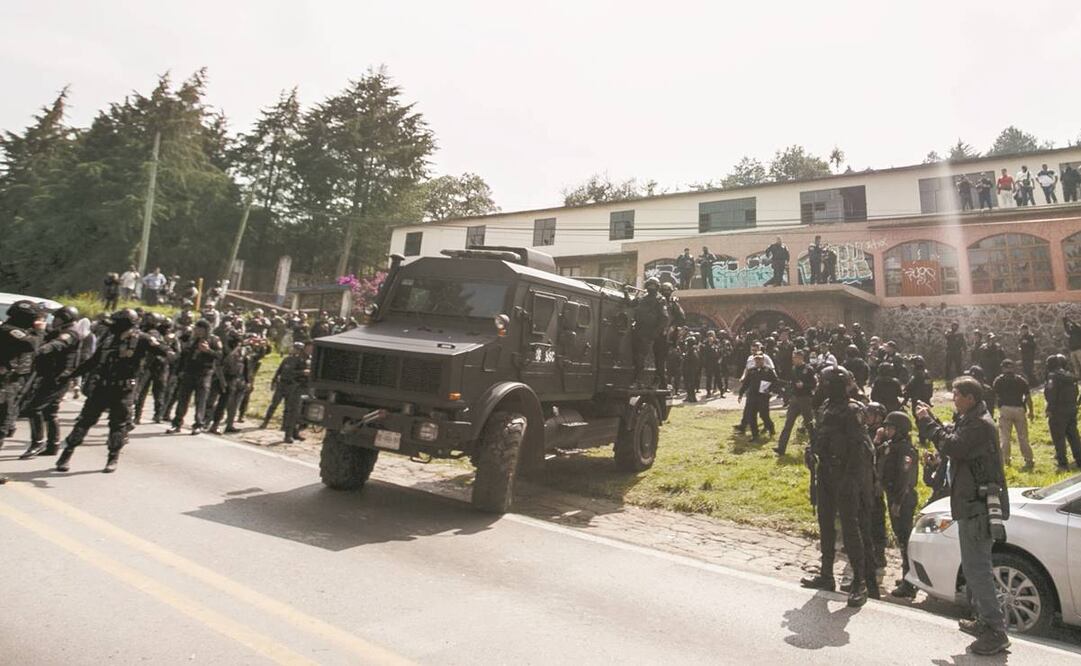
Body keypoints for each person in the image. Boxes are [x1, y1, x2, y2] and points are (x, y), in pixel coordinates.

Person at [916, 378, 1010, 656]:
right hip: (969, 504)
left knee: (977, 569)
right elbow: (953, 437)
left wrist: (926, 423)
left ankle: (996, 631)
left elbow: (954, 446)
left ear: (969, 397)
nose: (953, 398)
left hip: (977, 507)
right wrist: (933, 419)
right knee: (974, 568)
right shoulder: (971, 418)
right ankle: (985, 620)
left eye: (956, 394)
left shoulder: (980, 424)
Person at [55, 310, 168, 473]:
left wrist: (157, 351)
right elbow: (92, 362)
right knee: (85, 421)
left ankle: (113, 458)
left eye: (116, 324)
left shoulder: (142, 339)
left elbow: (166, 352)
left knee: (118, 425)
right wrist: (70, 375)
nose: (112, 327)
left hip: (124, 389)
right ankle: (66, 454)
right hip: (102, 387)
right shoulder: (108, 339)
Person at [801, 366, 877, 607]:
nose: (819, 386)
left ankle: (860, 583)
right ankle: (826, 575)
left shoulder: (852, 410)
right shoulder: (825, 408)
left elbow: (860, 449)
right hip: (826, 473)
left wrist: (850, 480)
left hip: (847, 476)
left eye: (824, 383)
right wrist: (811, 453)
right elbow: (820, 440)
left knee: (851, 528)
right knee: (825, 524)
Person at [18, 306, 84, 459]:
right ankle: (53, 445)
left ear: (65, 319)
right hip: (51, 376)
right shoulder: (58, 330)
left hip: (57, 377)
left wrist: (40, 349)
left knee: (34, 409)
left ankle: (37, 442)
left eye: (57, 318)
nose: (53, 321)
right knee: (50, 411)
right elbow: (45, 336)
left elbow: (56, 345)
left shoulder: (70, 333)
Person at [878, 411, 920, 599]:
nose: (887, 431)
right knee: (900, 535)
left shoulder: (905, 450)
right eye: (886, 427)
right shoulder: (892, 446)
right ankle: (907, 576)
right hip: (893, 495)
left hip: (902, 498)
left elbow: (905, 478)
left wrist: (898, 502)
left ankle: (909, 582)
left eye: (891, 428)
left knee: (904, 539)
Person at [0, 301, 45, 451]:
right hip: (5, 379)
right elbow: (32, 344)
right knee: (4, 412)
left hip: (16, 378)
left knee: (11, 409)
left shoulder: (21, 330)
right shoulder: (9, 330)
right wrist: (39, 331)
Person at [167, 319, 224, 435]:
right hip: (189, 372)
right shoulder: (191, 339)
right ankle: (176, 424)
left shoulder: (214, 340)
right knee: (183, 399)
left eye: (200, 330)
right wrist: (178, 372)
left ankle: (198, 425)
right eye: (196, 329)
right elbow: (183, 356)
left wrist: (208, 351)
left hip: (204, 373)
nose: (198, 331)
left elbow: (219, 356)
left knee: (200, 400)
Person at [993, 359, 1034, 468]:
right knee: (1023, 437)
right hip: (1019, 409)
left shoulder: (998, 380)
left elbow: (995, 396)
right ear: (1013, 368)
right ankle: (1028, 459)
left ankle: (1006, 459)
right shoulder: (1020, 380)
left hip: (1005, 408)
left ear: (1003, 368)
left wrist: (999, 407)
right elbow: (1028, 397)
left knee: (1005, 437)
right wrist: (1031, 411)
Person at [1044, 354, 1081, 470]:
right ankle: (1079, 459)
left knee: (1058, 438)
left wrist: (1049, 409)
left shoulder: (1053, 376)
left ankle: (1062, 463)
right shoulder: (1069, 375)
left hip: (1058, 411)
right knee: (1073, 436)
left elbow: (1051, 394)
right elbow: (1076, 392)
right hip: (1071, 409)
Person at [775, 349, 815, 456]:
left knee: (809, 424)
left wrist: (804, 385)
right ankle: (781, 448)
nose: (793, 359)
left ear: (801, 358)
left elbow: (814, 384)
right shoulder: (793, 369)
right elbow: (792, 383)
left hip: (805, 399)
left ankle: (815, 446)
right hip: (795, 399)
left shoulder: (809, 369)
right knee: (788, 423)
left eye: (795, 357)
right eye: (793, 357)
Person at [630, 278, 668, 387]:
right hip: (638, 329)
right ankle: (636, 379)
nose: (651, 287)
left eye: (653, 285)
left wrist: (655, 333)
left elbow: (664, 319)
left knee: (641, 356)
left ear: (657, 287)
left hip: (649, 332)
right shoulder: (642, 298)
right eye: (649, 285)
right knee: (635, 355)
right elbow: (631, 304)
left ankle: (638, 380)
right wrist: (625, 293)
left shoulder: (660, 299)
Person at [737, 353, 776, 441]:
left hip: (763, 396)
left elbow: (775, 382)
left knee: (764, 415)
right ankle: (755, 435)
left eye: (760, 359)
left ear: (763, 360)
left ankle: (771, 428)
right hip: (752, 396)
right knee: (751, 416)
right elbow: (746, 383)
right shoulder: (751, 370)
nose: (758, 361)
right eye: (756, 359)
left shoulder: (768, 370)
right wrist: (740, 394)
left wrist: (770, 389)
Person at [658, 282, 684, 389]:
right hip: (657, 334)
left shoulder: (673, 304)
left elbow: (682, 319)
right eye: (664, 291)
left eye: (668, 291)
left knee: (663, 361)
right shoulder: (657, 301)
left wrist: (672, 328)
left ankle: (662, 380)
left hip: (667, 336)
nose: (666, 293)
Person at [682, 336, 701, 403]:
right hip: (688, 370)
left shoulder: (692, 351)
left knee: (691, 384)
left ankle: (692, 397)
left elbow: (694, 362)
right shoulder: (690, 350)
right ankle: (689, 396)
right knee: (688, 384)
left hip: (690, 370)